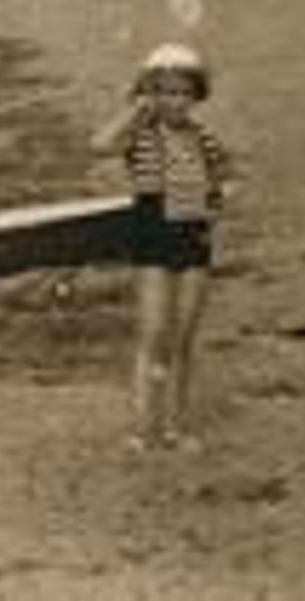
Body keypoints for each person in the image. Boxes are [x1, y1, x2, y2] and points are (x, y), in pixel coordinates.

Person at [91, 43, 233, 451]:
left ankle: (176, 425)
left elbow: (223, 174)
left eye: (183, 92)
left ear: (196, 95)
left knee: (183, 336)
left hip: (193, 234)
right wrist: (136, 108)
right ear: (151, 92)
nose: (176, 101)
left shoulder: (202, 137)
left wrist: (218, 199)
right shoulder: (142, 134)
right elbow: (100, 145)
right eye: (166, 91)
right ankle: (142, 426)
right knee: (153, 333)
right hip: (152, 229)